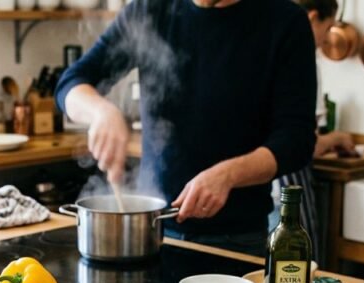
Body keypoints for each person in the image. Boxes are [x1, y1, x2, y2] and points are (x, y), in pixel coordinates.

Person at [55, 0, 317, 257]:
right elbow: (72, 82)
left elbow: (296, 140)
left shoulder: (285, 21)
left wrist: (229, 174)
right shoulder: (150, 9)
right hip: (153, 234)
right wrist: (102, 112)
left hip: (237, 239)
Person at [276, 0, 355, 265]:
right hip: (288, 184)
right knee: (298, 267)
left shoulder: (267, 46)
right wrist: (337, 139)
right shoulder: (305, 58)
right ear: (311, 18)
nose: (326, 38)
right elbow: (303, 143)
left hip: (259, 192)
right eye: (329, 27)